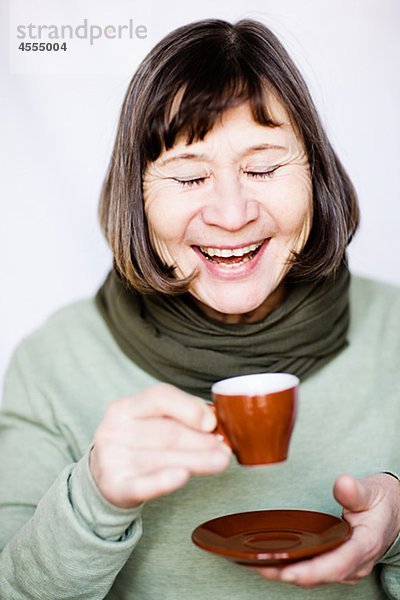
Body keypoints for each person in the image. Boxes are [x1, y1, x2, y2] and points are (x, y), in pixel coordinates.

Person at [1, 17, 400, 600]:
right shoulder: (52, 364)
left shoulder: (393, 333)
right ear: (135, 196)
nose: (232, 215)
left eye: (263, 168)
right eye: (188, 177)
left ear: (316, 174)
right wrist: (94, 497)